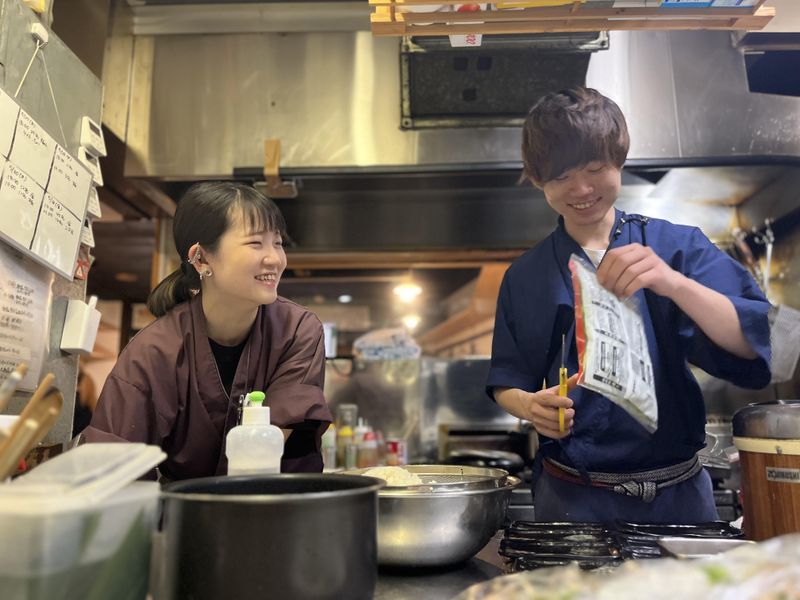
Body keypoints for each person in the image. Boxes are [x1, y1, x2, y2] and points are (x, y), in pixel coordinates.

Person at [487, 88, 771, 523]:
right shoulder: (525, 276)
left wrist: (673, 283)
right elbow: (507, 379)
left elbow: (755, 341)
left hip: (678, 495)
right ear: (539, 179)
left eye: (595, 169)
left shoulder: (677, 246)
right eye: (561, 177)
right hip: (571, 498)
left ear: (619, 160)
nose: (581, 189)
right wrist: (529, 406)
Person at [83, 182, 331, 480]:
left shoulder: (297, 330)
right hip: (183, 508)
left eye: (277, 243)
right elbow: (113, 465)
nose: (275, 259)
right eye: (256, 243)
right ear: (201, 258)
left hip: (276, 502)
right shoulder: (153, 351)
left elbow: (261, 453)